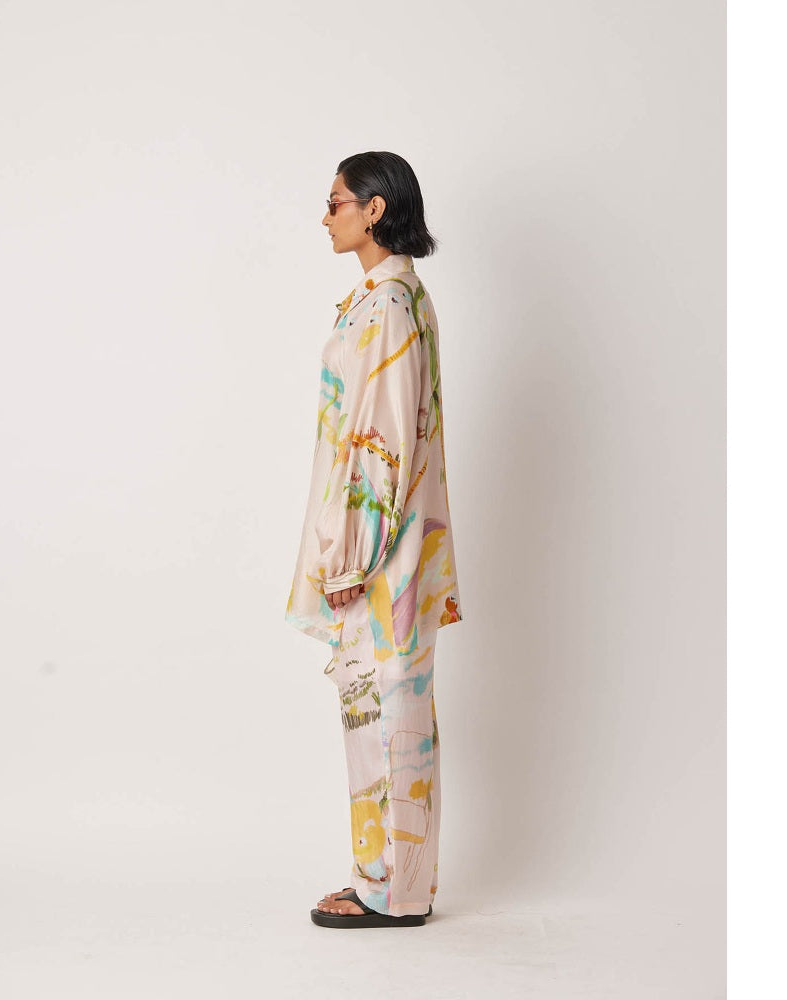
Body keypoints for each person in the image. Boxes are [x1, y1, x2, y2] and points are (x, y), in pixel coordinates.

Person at [285, 151, 463, 928]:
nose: (325, 216)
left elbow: (381, 443)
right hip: (388, 547)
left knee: (386, 713)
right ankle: (388, 881)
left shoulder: (389, 303)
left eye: (335, 202)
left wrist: (352, 556)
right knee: (388, 710)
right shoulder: (385, 298)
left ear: (374, 209)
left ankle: (391, 891)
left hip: (381, 554)